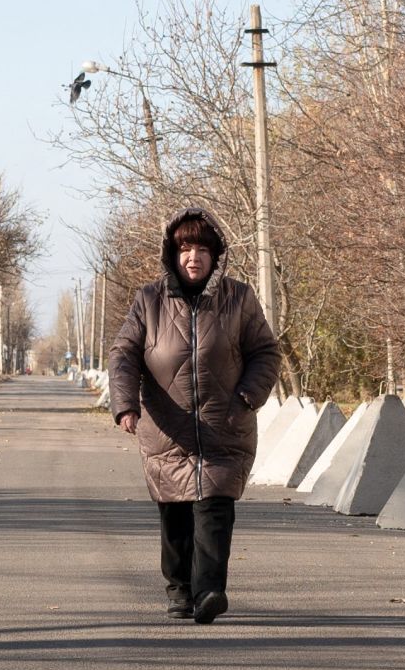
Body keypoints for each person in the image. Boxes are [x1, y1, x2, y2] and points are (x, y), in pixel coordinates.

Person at [106, 206, 280, 623]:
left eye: (202, 248)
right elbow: (123, 355)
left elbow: (265, 353)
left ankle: (209, 592)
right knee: (177, 516)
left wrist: (248, 396)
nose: (194, 257)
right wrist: (126, 404)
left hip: (225, 426)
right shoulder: (148, 301)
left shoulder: (238, 298)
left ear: (216, 255)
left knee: (215, 510)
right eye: (185, 248)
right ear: (173, 253)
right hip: (168, 430)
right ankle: (180, 589)